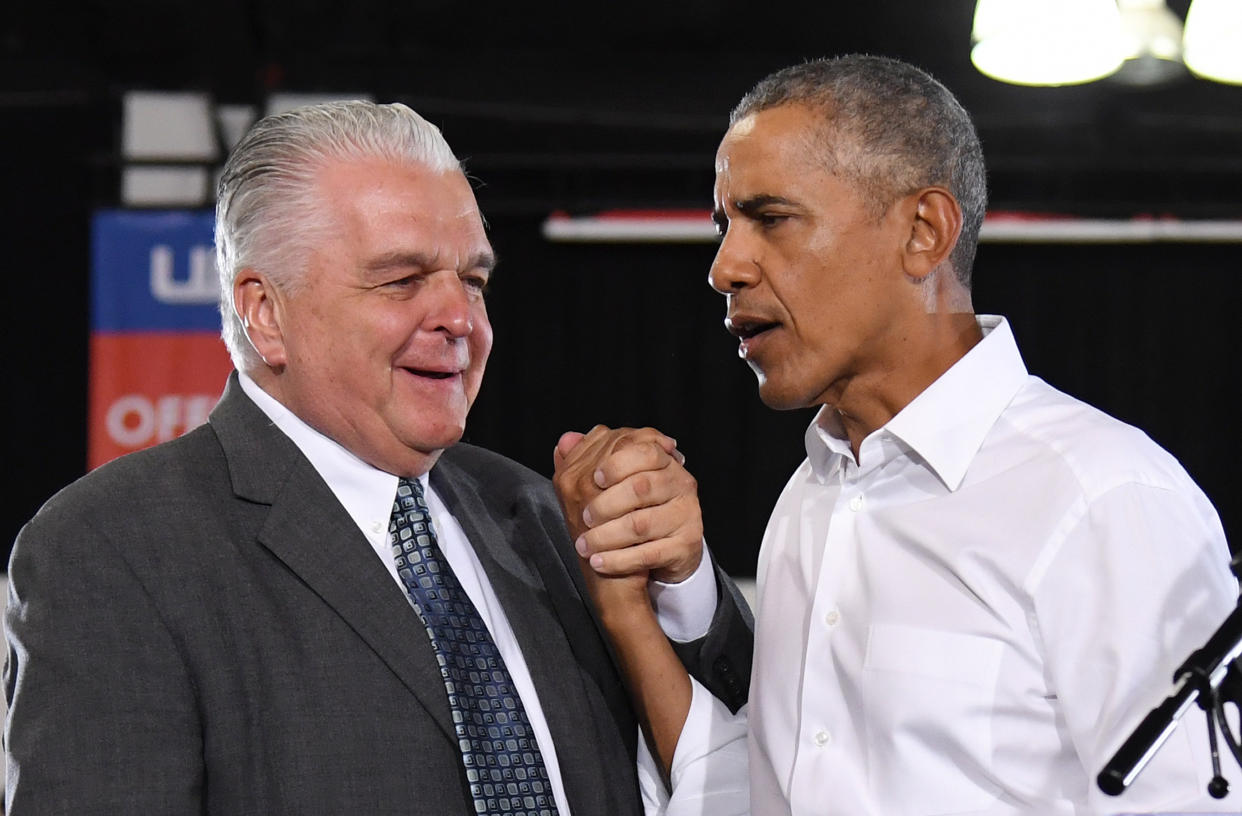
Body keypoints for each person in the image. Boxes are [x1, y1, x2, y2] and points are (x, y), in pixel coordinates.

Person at [4, 100, 752, 815]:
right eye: (401, 280)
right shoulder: (113, 549)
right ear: (266, 314)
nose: (459, 318)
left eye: (473, 280)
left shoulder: (533, 512)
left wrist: (681, 580)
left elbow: (764, 753)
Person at [558, 55, 1239, 815]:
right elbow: (766, 797)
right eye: (725, 226)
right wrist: (630, 607)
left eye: (771, 219)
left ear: (923, 232)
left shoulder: (1103, 497)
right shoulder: (811, 501)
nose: (724, 267)